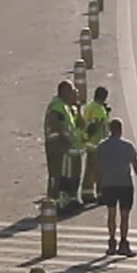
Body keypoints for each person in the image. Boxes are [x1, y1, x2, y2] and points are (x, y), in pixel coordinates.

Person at [95, 119, 137, 256]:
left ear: (109, 129)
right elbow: (135, 166)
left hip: (109, 184)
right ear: (120, 130)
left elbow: (97, 167)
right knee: (125, 216)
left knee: (111, 214)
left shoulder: (102, 146)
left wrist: (98, 184)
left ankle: (112, 242)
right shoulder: (128, 146)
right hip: (125, 184)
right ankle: (123, 243)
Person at [43, 81, 79, 211]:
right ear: (64, 92)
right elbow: (55, 122)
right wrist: (65, 137)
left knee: (62, 175)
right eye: (71, 91)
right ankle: (53, 203)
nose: (73, 94)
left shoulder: (64, 106)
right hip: (56, 145)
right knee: (56, 175)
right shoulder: (58, 106)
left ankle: (61, 202)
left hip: (61, 145)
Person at [79, 87, 112, 204]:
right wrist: (88, 137)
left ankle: (87, 193)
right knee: (99, 171)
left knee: (90, 170)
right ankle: (100, 194)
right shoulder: (98, 109)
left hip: (90, 144)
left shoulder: (90, 106)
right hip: (97, 144)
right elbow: (95, 126)